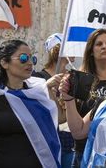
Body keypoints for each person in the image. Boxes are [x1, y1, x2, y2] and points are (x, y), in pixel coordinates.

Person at [0, 39, 61, 168]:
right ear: (4, 63)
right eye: (23, 58)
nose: (30, 63)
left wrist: (53, 92)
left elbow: (59, 119)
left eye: (32, 59)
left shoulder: (37, 94)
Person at [71, 29, 106, 168]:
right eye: (99, 44)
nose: (104, 46)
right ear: (91, 51)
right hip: (84, 153)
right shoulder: (81, 80)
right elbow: (64, 118)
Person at [33, 33, 75, 168]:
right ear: (59, 50)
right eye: (70, 46)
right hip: (48, 144)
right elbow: (57, 118)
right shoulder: (37, 79)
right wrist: (47, 88)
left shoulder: (72, 78)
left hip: (68, 144)